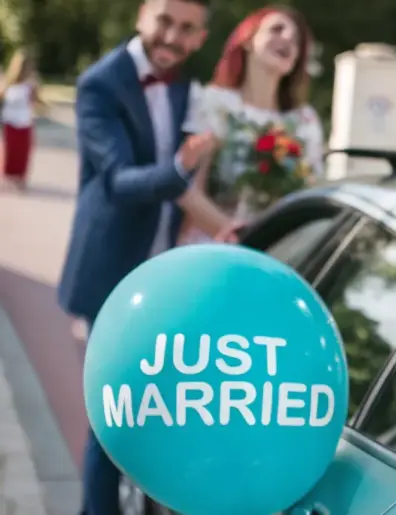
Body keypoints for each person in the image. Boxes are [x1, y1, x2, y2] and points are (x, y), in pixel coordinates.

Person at [56, 0, 224, 513]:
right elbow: (119, 181)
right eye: (164, 21)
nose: (172, 37)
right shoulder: (99, 83)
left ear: (201, 37)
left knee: (147, 411)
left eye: (186, 28)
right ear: (141, 16)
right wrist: (179, 168)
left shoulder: (186, 86)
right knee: (112, 415)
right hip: (108, 268)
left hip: (161, 272)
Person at [179, 5, 324, 244]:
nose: (288, 38)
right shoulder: (214, 104)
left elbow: (310, 196)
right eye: (277, 29)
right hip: (212, 245)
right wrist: (240, 237)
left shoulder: (304, 122)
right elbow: (187, 190)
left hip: (276, 250)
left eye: (297, 40)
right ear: (247, 40)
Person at [0, 49, 45, 191]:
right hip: (10, 122)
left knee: (22, 152)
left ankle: (20, 178)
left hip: (24, 122)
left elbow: (36, 101)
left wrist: (39, 103)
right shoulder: (8, 82)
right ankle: (9, 177)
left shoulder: (31, 84)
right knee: (10, 152)